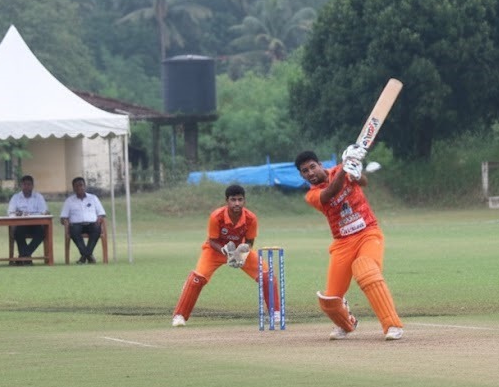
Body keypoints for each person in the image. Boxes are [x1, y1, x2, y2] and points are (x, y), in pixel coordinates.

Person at [295, 146, 404, 340]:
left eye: (312, 167)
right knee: (329, 300)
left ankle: (392, 326)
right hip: (342, 243)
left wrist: (355, 170)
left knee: (365, 269)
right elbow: (330, 192)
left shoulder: (341, 169)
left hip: (368, 232)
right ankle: (346, 323)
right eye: (305, 171)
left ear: (320, 165)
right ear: (302, 176)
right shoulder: (312, 196)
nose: (310, 173)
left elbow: (363, 181)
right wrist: (346, 167)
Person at [171, 184, 279, 326]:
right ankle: (179, 316)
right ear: (227, 201)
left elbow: (250, 241)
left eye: (240, 200)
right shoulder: (216, 216)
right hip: (215, 251)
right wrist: (225, 251)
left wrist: (241, 252)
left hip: (239, 252)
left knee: (266, 274)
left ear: (244, 201)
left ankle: (275, 313)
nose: (237, 203)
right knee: (197, 279)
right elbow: (212, 240)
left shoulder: (251, 218)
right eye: (233, 200)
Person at [60, 177, 106, 264]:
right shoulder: (69, 201)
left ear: (85, 186)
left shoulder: (93, 198)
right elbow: (63, 218)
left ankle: (84, 256)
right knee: (73, 230)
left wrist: (100, 218)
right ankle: (88, 255)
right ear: (73, 188)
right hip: (76, 224)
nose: (79, 188)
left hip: (92, 223)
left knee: (97, 228)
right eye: (76, 186)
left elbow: (101, 213)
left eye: (81, 185)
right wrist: (66, 221)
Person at [7, 175, 50, 265]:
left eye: (29, 184)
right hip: (21, 224)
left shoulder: (38, 197)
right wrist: (16, 214)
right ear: (21, 185)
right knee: (18, 232)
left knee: (41, 233)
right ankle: (26, 257)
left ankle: (23, 256)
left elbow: (44, 212)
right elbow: (11, 213)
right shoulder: (16, 197)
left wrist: (34, 214)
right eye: (24, 184)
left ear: (32, 186)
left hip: (36, 224)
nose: (27, 186)